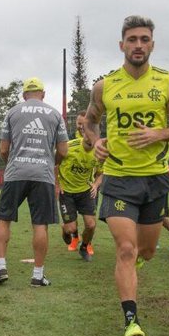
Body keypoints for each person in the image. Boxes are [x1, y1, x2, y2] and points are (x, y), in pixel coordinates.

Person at [84, 15, 169, 336]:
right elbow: (89, 122)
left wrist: (158, 133)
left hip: (155, 179)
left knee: (146, 250)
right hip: (117, 178)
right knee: (126, 249)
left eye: (144, 39)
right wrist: (95, 142)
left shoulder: (167, 82)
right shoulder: (105, 85)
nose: (138, 45)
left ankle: (133, 266)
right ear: (122, 45)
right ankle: (131, 321)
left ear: (152, 45)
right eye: (132, 39)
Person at [0, 77, 68, 287]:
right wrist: (53, 164)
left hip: (16, 172)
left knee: (3, 218)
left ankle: (0, 268)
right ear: (43, 94)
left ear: (24, 95)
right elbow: (63, 150)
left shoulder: (13, 112)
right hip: (43, 174)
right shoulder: (54, 114)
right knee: (40, 224)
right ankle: (37, 275)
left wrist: (11, 164)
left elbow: (3, 149)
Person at [56, 111, 102, 261]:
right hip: (67, 192)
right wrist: (57, 185)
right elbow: (54, 164)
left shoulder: (99, 152)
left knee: (91, 225)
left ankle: (85, 246)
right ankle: (66, 229)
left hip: (85, 191)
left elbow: (102, 173)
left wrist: (95, 185)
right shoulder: (68, 147)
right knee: (71, 228)